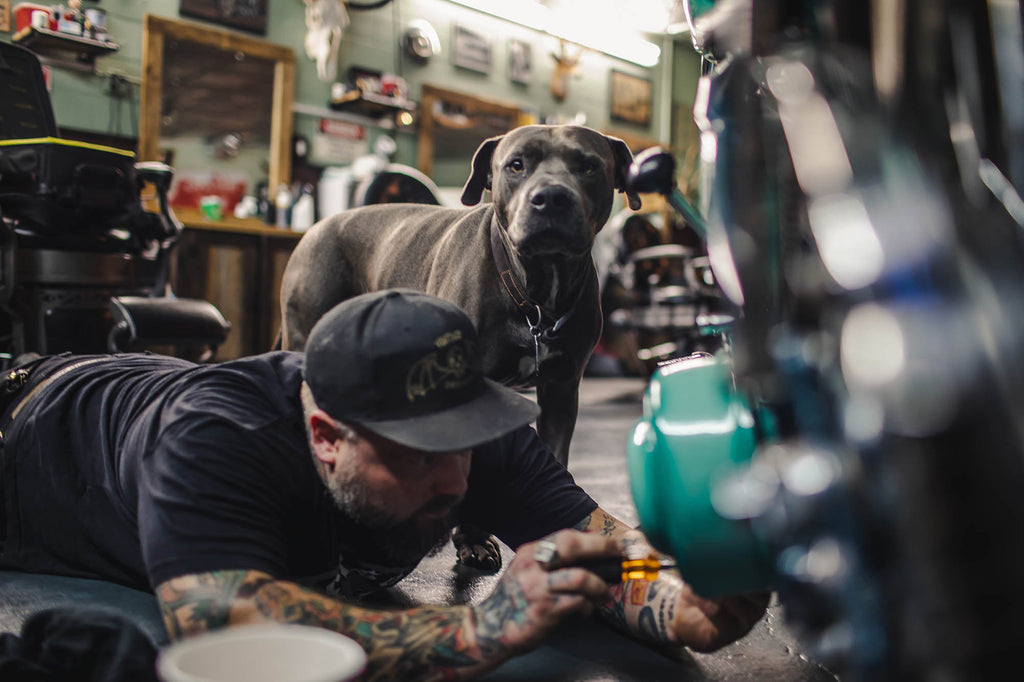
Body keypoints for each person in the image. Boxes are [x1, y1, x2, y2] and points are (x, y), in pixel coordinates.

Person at [0, 289, 768, 679]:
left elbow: (605, 548)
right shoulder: (221, 438)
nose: (453, 475)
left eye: (461, 445)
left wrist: (674, 602)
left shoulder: (472, 431)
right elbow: (229, 626)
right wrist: (476, 629)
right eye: (418, 455)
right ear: (325, 439)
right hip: (26, 433)